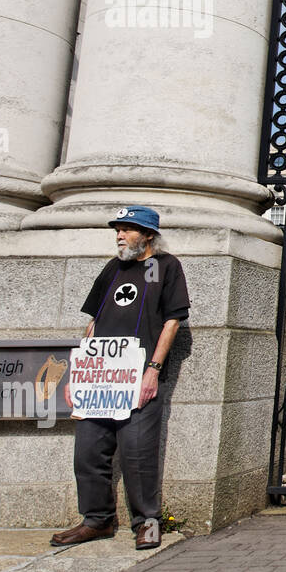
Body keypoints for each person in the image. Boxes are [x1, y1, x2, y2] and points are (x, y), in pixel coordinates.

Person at [49, 205, 190, 551]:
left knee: (137, 452)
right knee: (88, 451)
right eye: (119, 229)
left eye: (128, 229)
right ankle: (96, 520)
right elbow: (93, 322)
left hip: (137, 377)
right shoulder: (113, 268)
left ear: (148, 236)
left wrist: (153, 371)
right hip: (99, 380)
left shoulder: (166, 267)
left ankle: (148, 522)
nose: (120, 235)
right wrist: (78, 375)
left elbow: (172, 320)